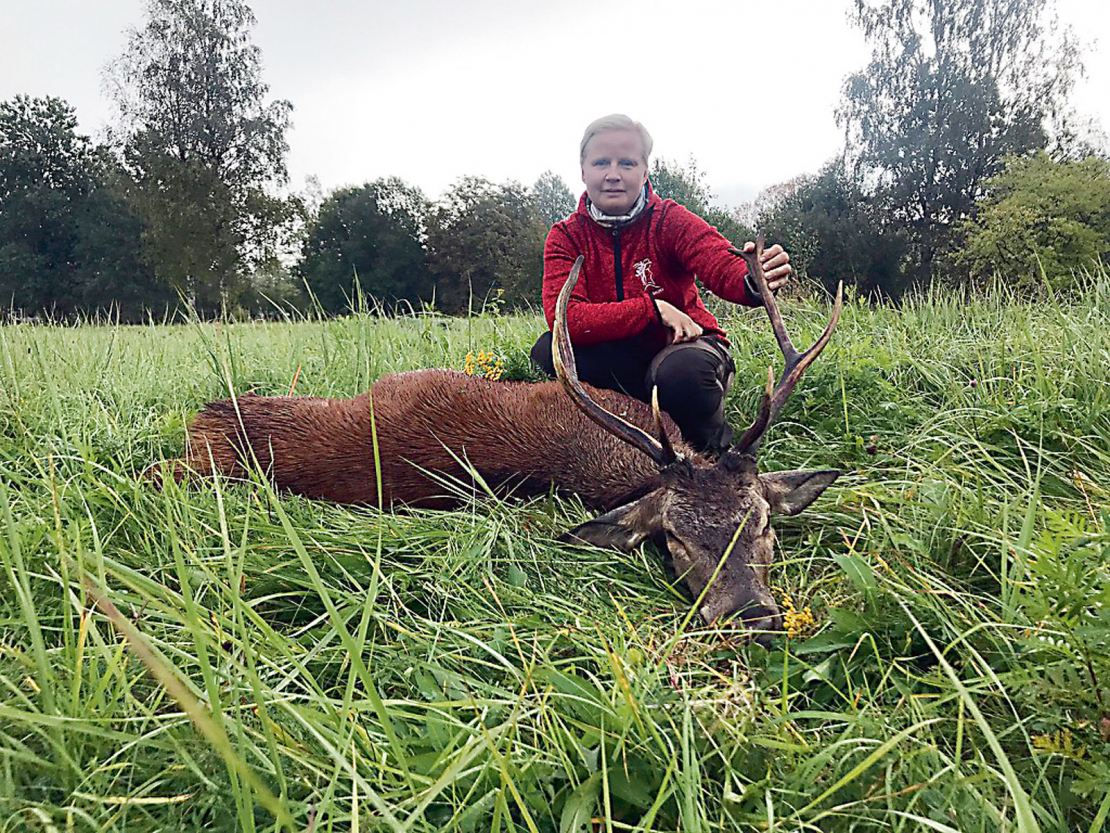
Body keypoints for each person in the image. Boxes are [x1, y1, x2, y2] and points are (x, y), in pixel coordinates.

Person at [530, 114, 793, 456]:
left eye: (626, 162)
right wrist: (652, 309)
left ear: (644, 172)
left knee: (682, 374)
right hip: (619, 360)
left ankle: (716, 453)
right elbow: (565, 319)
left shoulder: (670, 220)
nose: (613, 174)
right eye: (600, 163)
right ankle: (623, 439)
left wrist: (754, 278)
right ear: (583, 172)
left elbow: (719, 263)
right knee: (551, 350)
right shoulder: (566, 237)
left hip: (683, 350)